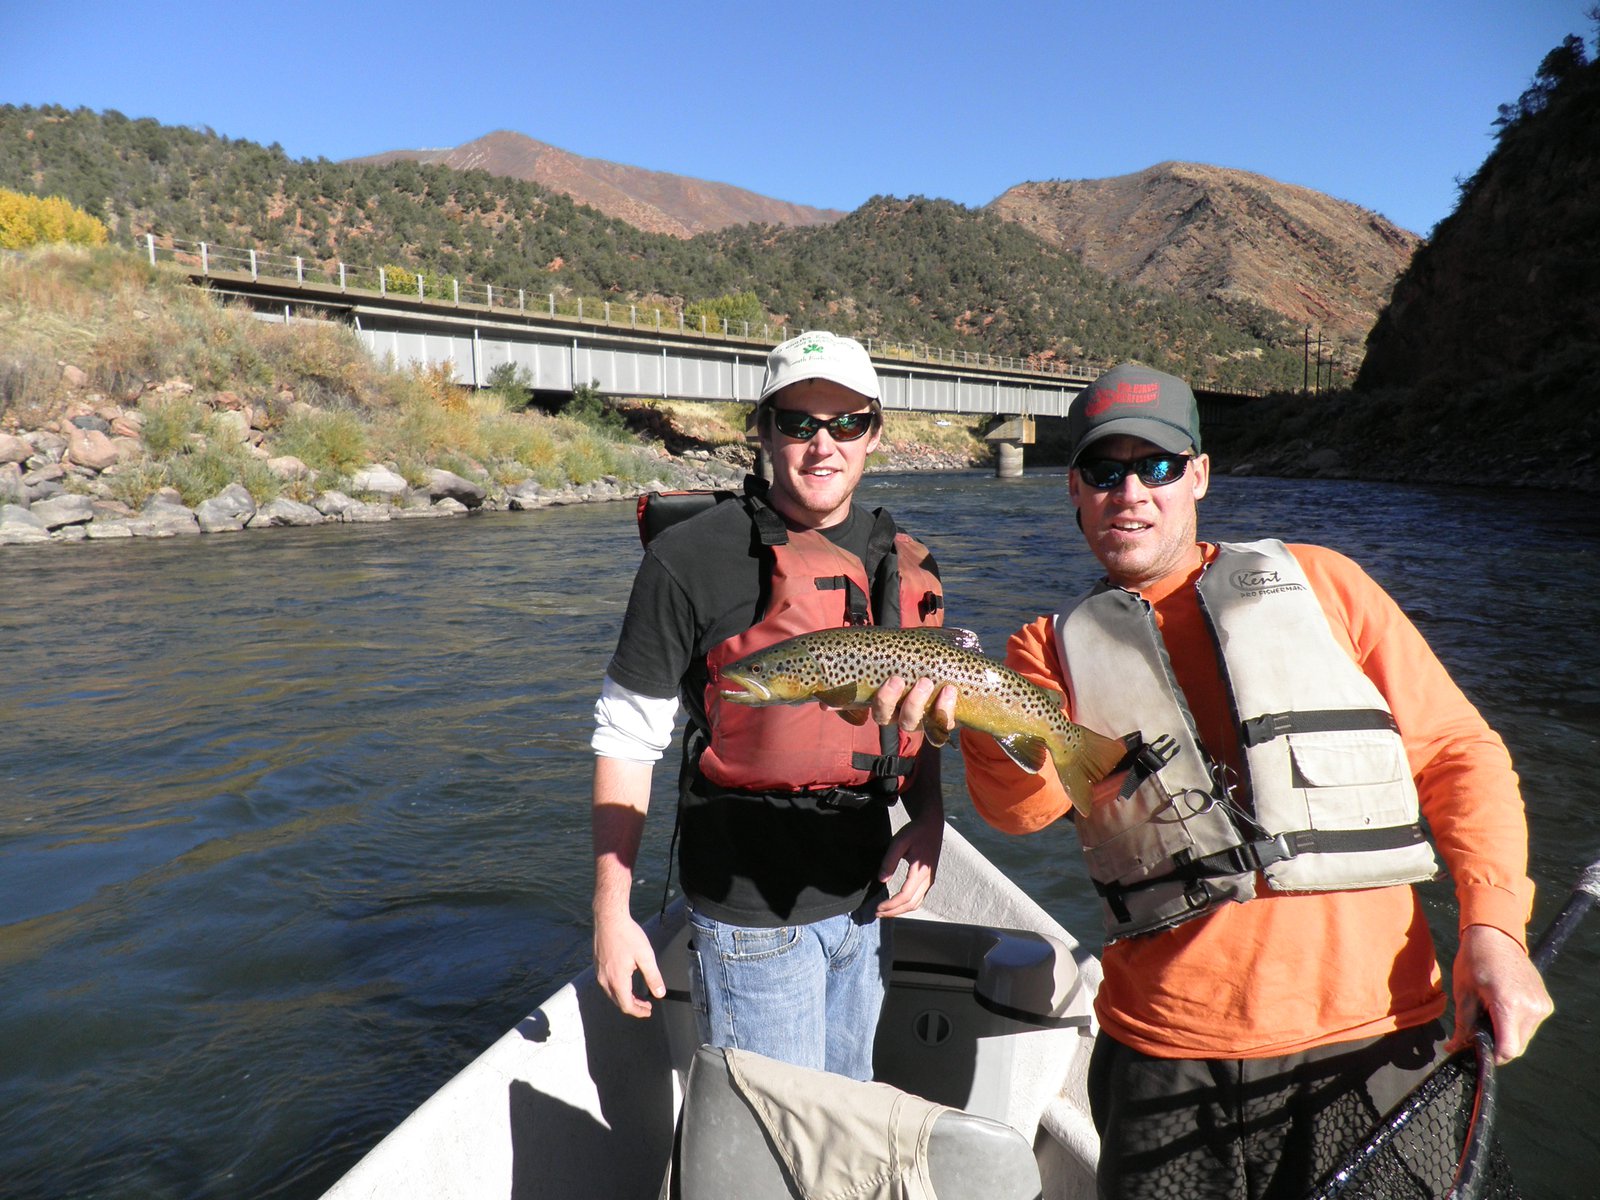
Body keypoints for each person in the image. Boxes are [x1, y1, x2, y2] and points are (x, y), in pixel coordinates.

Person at [867, 362, 1553, 1197]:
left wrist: (1496, 929)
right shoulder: (1043, 650)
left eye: (1155, 466)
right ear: (1074, 492)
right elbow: (1021, 811)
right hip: (1163, 1058)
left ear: (1198, 475)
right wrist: (970, 718)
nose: (1130, 491)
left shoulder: (1326, 585)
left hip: (1375, 1039)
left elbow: (1459, 754)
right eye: (1102, 470)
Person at [589, 330, 946, 1082]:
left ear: (875, 435)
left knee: (843, 1128)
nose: (824, 445)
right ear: (763, 431)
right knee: (778, 1150)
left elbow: (919, 710)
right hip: (751, 915)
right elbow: (627, 739)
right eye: (799, 423)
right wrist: (611, 911)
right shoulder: (687, 560)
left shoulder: (907, 558)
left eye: (847, 423)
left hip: (865, 901)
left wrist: (931, 820)